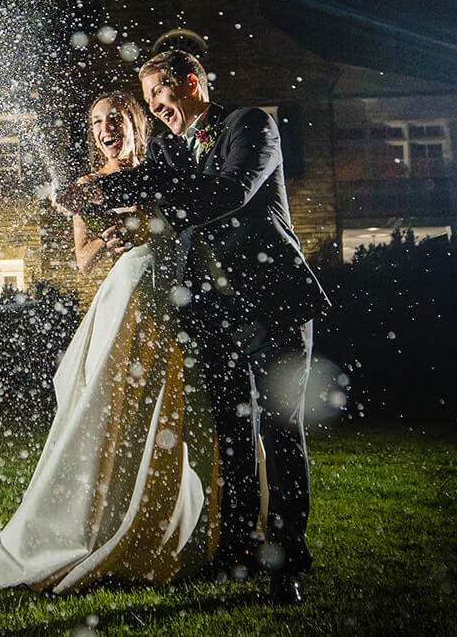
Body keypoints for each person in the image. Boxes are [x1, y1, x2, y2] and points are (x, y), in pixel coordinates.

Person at [58, 50, 330, 606]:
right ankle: (236, 548)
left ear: (191, 83)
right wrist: (92, 193)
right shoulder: (169, 146)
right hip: (211, 307)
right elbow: (144, 182)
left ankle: (288, 558)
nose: (155, 107)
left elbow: (229, 193)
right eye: (150, 100)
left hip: (271, 299)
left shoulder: (250, 126)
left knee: (280, 429)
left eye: (160, 93)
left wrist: (129, 198)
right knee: (231, 434)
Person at [0, 91, 219, 592]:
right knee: (117, 408)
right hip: (128, 294)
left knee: (184, 409)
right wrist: (108, 240)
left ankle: (185, 520)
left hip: (175, 296)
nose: (105, 129)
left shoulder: (165, 168)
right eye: (95, 123)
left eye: (114, 119)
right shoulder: (89, 187)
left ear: (135, 123)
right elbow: (84, 260)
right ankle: (102, 522)